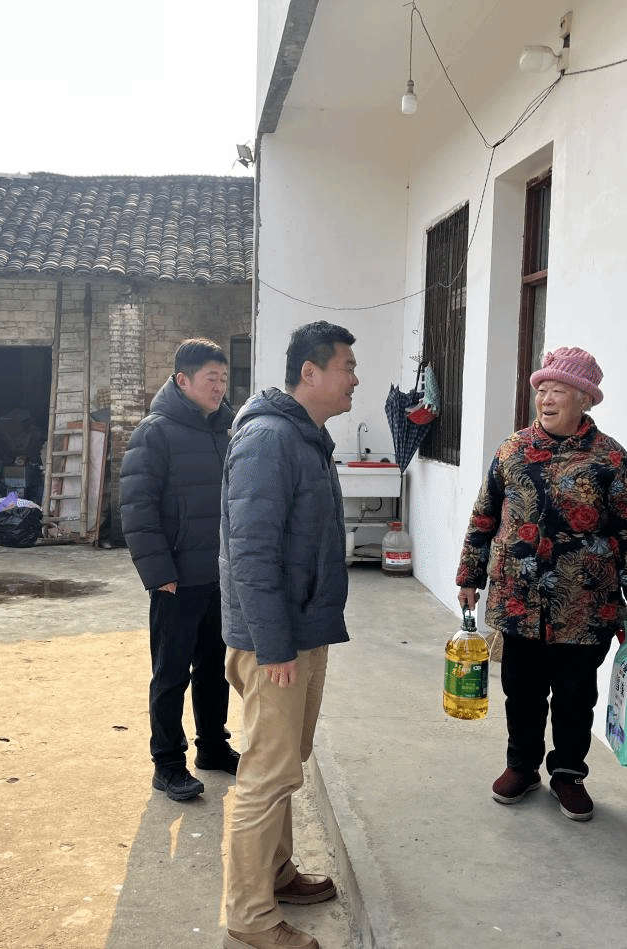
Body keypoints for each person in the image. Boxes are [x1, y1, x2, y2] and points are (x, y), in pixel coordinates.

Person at [456, 346, 627, 822]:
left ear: (584, 399)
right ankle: (521, 767)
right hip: (518, 601)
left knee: (574, 697)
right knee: (521, 691)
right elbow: (484, 517)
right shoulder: (512, 450)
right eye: (542, 390)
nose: (545, 399)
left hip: (585, 604)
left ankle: (568, 773)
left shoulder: (610, 459)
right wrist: (469, 575)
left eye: (558, 391)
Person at [219, 321, 357, 949]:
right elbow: (252, 554)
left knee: (285, 764)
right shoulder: (269, 439)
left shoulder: (305, 438)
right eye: (346, 367)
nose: (354, 378)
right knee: (267, 774)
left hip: (302, 630)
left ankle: (275, 874)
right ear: (310, 372)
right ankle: (249, 916)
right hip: (275, 641)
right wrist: (274, 645)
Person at [120, 338, 239, 802]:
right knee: (171, 674)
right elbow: (137, 508)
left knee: (214, 668)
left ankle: (213, 746)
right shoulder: (155, 432)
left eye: (224, 379)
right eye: (211, 378)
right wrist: (158, 573)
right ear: (182, 380)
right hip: (176, 579)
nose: (219, 387)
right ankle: (168, 764)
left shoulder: (228, 429)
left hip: (218, 576)